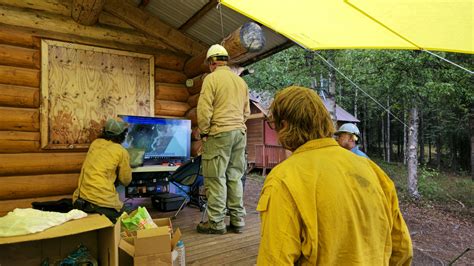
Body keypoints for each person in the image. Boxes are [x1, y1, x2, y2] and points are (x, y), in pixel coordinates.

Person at [257, 86, 412, 265]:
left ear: (284, 125)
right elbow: (402, 250)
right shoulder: (372, 169)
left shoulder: (284, 179)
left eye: (274, 126)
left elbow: (274, 260)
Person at [196, 44, 250, 234]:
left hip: (219, 133)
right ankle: (237, 221)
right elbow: (246, 112)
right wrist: (237, 125)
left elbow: (204, 110)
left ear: (212, 62)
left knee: (215, 178)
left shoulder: (211, 79)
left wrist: (204, 132)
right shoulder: (241, 82)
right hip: (239, 133)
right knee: (234, 177)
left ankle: (217, 223)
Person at [72, 118, 132, 223]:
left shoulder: (95, 144)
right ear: (123, 135)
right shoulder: (121, 151)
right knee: (129, 213)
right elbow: (126, 180)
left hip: (80, 200)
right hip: (102, 204)